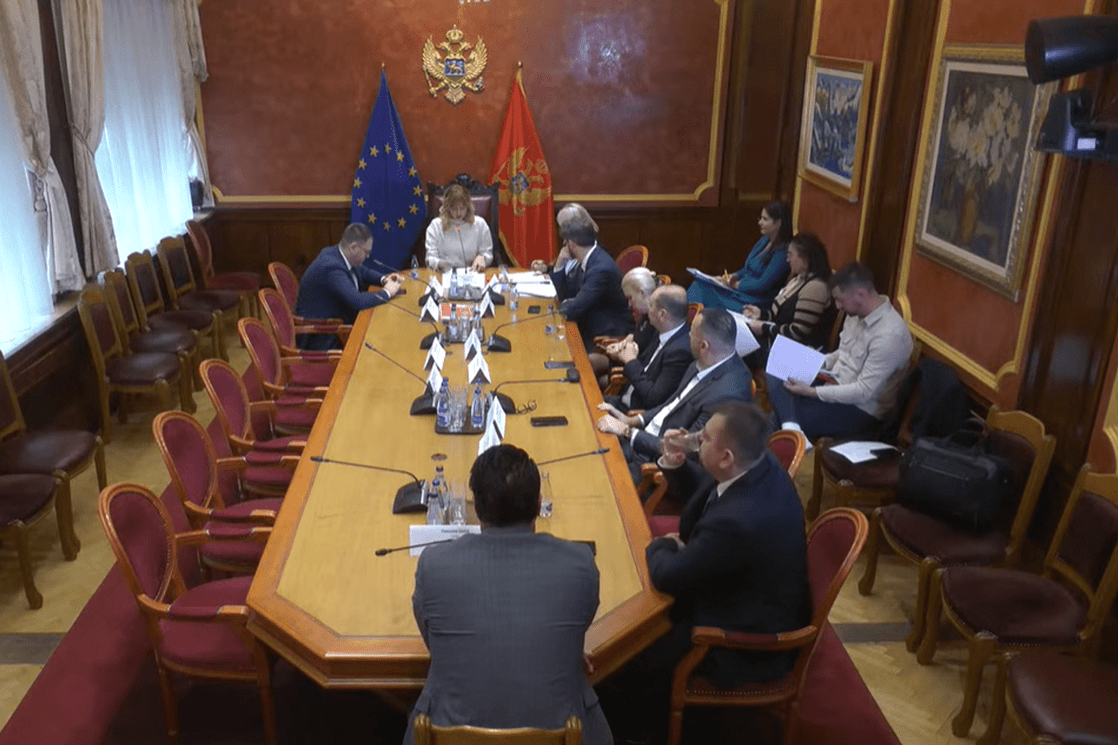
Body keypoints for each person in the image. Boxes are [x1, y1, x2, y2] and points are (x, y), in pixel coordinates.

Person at [404, 445, 612, 745]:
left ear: (477, 508)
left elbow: (434, 641)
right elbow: (578, 623)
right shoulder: (581, 564)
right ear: (538, 504)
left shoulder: (433, 566)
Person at [645, 401, 809, 694]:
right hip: (741, 586)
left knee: (634, 656)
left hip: (741, 640)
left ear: (726, 457)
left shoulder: (735, 523)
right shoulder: (758, 462)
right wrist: (677, 464)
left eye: (704, 437)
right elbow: (711, 491)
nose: (696, 439)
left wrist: (661, 545)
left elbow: (667, 576)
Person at [765, 261, 914, 442]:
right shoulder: (856, 313)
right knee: (776, 363)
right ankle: (792, 428)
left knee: (779, 414)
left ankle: (790, 430)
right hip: (832, 380)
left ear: (860, 294)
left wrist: (811, 392)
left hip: (860, 409)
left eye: (840, 300)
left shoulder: (890, 335)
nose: (838, 307)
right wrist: (816, 360)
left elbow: (863, 392)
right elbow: (842, 353)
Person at [597, 307, 752, 479]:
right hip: (642, 438)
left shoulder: (728, 394)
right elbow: (671, 404)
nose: (687, 336)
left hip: (653, 464)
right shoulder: (705, 360)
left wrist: (627, 431)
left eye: (691, 333)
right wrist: (631, 420)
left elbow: (685, 449)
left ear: (703, 346)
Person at [294, 222, 402, 350]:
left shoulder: (338, 254)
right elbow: (358, 301)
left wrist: (384, 280)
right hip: (323, 336)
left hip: (339, 323)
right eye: (366, 252)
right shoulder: (331, 268)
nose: (368, 256)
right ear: (353, 247)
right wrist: (387, 292)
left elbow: (363, 272)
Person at [532, 221, 634, 352]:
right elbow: (567, 293)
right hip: (588, 321)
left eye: (565, 243)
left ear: (571, 244)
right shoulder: (589, 257)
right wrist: (559, 265)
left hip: (607, 333)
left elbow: (576, 307)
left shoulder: (600, 269)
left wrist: (547, 313)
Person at [741, 231, 836, 364]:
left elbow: (797, 333)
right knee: (737, 334)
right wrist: (760, 314)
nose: (787, 259)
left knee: (738, 339)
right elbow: (781, 317)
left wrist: (764, 328)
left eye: (790, 254)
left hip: (798, 356)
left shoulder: (815, 287)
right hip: (780, 344)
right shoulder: (798, 279)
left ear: (804, 257)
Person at [687, 200, 792, 310]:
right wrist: (733, 276)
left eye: (765, 219)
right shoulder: (764, 240)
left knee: (701, 289)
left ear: (778, 223)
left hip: (753, 301)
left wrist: (735, 285)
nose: (760, 222)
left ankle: (688, 318)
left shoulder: (782, 253)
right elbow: (747, 268)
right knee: (699, 284)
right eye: (760, 218)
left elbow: (763, 285)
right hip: (739, 292)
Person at [603, 284, 693, 412]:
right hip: (624, 400)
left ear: (662, 314)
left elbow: (652, 398)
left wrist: (631, 361)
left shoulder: (680, 352)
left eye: (651, 305)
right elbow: (642, 369)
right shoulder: (661, 331)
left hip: (633, 414)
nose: (647, 310)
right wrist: (625, 354)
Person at [590, 266, 661, 385]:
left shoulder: (657, 322)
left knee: (600, 381)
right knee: (591, 361)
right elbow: (638, 336)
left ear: (642, 293)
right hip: (624, 360)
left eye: (630, 298)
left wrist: (620, 354)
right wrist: (625, 341)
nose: (629, 305)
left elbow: (645, 358)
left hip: (633, 370)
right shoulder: (643, 314)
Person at [424, 184, 494, 272]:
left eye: (462, 208)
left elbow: (487, 253)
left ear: (468, 207)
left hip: (472, 273)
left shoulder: (480, 224)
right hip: (444, 274)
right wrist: (439, 264)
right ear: (447, 208)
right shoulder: (436, 226)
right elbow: (430, 258)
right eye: (454, 209)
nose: (458, 213)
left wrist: (482, 258)